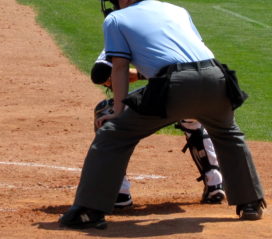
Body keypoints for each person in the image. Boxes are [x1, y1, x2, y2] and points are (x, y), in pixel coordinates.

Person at [59, 0, 266, 230]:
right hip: (218, 77)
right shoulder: (177, 10)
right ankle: (250, 203)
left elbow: (119, 68)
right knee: (228, 134)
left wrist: (119, 110)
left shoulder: (117, 19)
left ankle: (90, 210)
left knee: (113, 135)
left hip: (175, 85)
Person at [91, 50, 226, 209]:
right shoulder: (179, 29)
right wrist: (140, 75)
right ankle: (214, 182)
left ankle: (119, 192)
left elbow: (99, 74)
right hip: (212, 88)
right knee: (192, 118)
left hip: (173, 93)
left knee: (105, 113)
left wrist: (119, 75)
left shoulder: (120, 29)